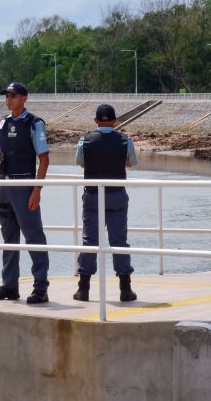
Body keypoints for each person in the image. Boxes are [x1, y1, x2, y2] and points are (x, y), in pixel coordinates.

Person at [0, 82, 51, 304]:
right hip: (5, 186)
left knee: (34, 236)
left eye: (13, 96)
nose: (8, 99)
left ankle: (40, 288)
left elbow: (44, 160)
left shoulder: (34, 124)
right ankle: (9, 286)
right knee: (9, 239)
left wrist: (37, 190)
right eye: (6, 96)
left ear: (24, 98)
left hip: (25, 186)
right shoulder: (2, 124)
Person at [74, 104, 138, 302]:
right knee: (119, 240)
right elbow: (131, 162)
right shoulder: (125, 140)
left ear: (96, 121)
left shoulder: (85, 140)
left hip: (92, 194)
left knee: (89, 240)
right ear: (115, 120)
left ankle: (83, 289)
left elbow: (80, 162)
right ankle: (125, 289)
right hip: (117, 193)